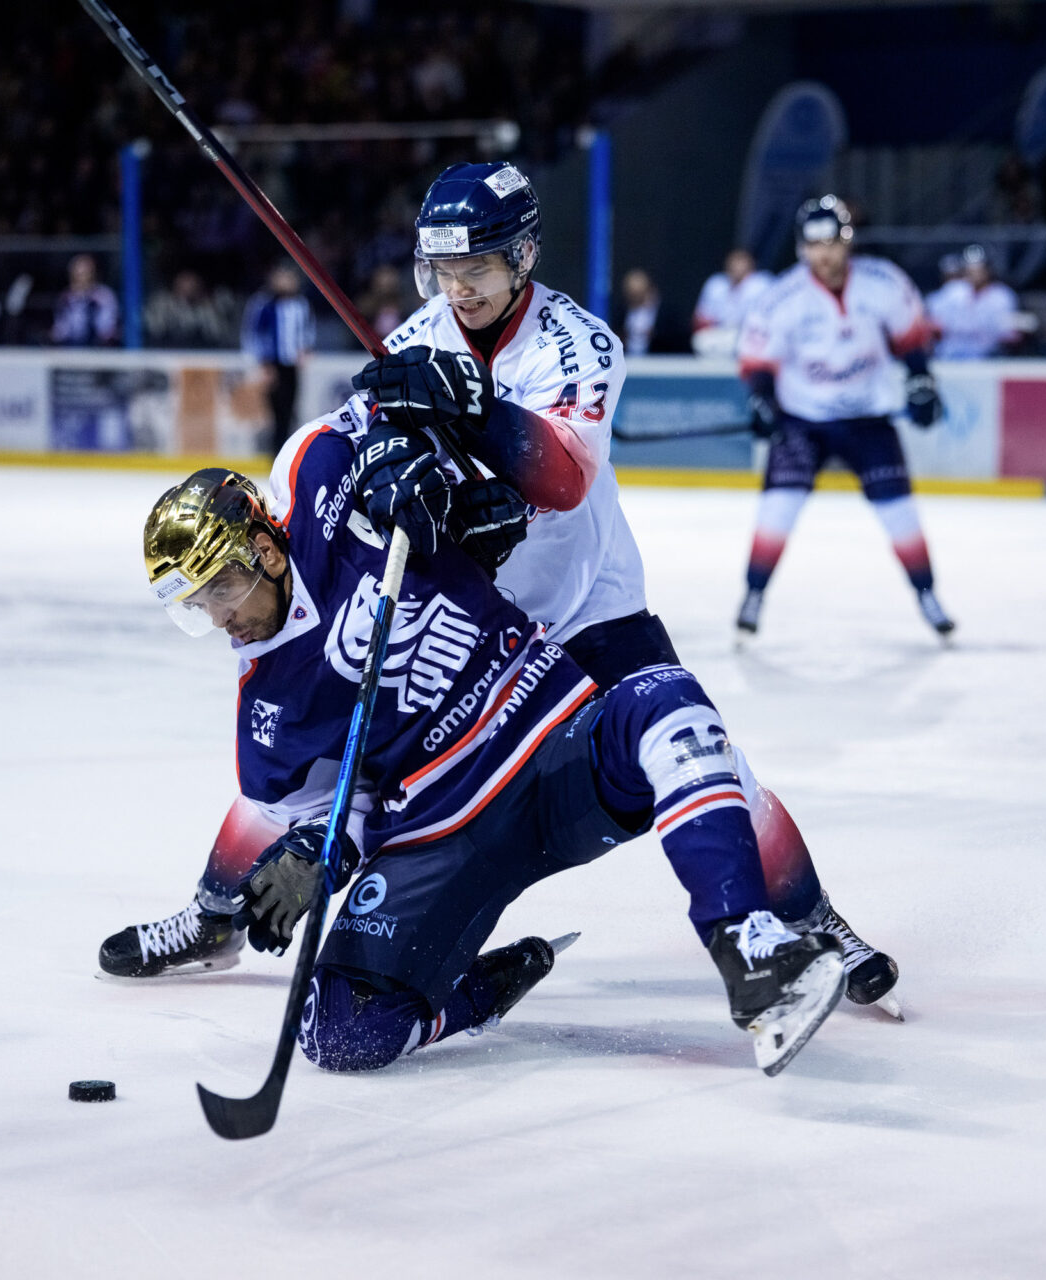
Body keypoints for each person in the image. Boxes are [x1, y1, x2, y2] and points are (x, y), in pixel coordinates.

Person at [99, 163, 901, 1026]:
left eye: (475, 270)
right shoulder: (418, 338)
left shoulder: (578, 342)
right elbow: (352, 438)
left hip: (589, 605)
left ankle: (809, 921)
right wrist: (386, 467)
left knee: (703, 754)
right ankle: (217, 917)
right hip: (480, 614)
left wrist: (473, 410)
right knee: (299, 758)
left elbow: (559, 476)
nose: (457, 290)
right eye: (442, 273)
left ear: (522, 257)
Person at [129, 463, 848, 1074]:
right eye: (197, 607)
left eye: (219, 589)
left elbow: (392, 416)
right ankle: (484, 987)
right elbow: (338, 804)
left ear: (267, 550)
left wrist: (402, 462)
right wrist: (313, 850)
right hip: (443, 835)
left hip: (551, 742)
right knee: (340, 1033)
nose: (219, 619)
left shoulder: (324, 478)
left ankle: (749, 946)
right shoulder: (266, 714)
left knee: (666, 702)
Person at [733, 195, 953, 640]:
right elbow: (756, 363)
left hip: (868, 418)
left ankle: (927, 595)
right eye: (816, 246)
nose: (825, 254)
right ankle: (754, 594)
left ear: (847, 242)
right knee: (778, 510)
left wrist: (921, 381)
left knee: (901, 512)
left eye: (833, 242)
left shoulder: (884, 282)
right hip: (801, 420)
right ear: (802, 249)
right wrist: (762, 401)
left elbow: (912, 339)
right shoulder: (781, 299)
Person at [242, 262, 314, 453]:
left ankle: (288, 449)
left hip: (292, 365)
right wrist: (264, 363)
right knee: (276, 410)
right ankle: (275, 451)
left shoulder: (301, 303)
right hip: (272, 365)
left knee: (291, 408)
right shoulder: (264, 303)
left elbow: (307, 330)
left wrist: (305, 349)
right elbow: (255, 333)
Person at [930, 244, 1020, 359]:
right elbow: (934, 321)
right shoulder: (954, 291)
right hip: (949, 355)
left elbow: (1009, 334)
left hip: (986, 357)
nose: (973, 273)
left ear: (988, 270)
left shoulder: (1002, 295)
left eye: (978, 269)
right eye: (970, 269)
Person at [691, 248, 772, 357]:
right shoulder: (716, 284)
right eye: (733, 261)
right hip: (721, 334)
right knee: (700, 341)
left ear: (751, 264)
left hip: (750, 334)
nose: (736, 266)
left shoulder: (761, 283)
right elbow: (701, 319)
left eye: (740, 261)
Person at [51, 253, 120, 346]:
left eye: (86, 274)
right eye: (78, 274)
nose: (82, 278)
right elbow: (61, 329)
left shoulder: (104, 296)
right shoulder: (65, 298)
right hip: (70, 347)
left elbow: (107, 328)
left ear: (94, 274)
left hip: (99, 347)